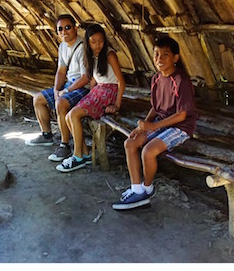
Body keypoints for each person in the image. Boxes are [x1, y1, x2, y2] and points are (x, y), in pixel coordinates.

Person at [112, 35, 198, 210]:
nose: (159, 59)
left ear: (175, 58)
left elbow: (182, 115)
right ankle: (136, 189)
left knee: (148, 151)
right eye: (156, 54)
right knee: (130, 143)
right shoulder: (156, 79)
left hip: (180, 127)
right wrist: (142, 125)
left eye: (165, 55)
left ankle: (147, 189)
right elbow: (155, 107)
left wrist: (153, 126)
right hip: (161, 122)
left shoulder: (181, 80)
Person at [57, 23, 126, 172]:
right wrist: (90, 94)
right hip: (98, 90)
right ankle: (85, 154)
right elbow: (93, 79)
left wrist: (117, 105)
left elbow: (121, 81)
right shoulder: (90, 55)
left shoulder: (109, 54)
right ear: (88, 42)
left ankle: (77, 157)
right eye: (93, 41)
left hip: (109, 92)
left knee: (74, 114)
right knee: (69, 116)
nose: (97, 45)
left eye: (101, 41)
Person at [26, 14, 89, 157]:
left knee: (61, 103)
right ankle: (46, 135)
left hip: (82, 87)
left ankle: (65, 145)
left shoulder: (83, 48)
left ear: (75, 28)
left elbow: (86, 78)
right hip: (69, 83)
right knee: (38, 99)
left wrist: (65, 90)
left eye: (67, 27)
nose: (64, 32)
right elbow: (61, 70)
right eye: (60, 29)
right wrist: (56, 89)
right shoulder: (62, 46)